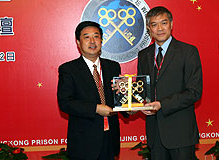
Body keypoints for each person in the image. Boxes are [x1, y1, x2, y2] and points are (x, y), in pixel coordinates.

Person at [137, 6, 203, 160]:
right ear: (149, 28)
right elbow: (143, 90)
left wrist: (162, 104)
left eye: (164, 23)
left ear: (171, 24)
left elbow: (194, 92)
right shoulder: (144, 55)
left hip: (181, 132)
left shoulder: (188, 52)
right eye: (154, 24)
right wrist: (126, 93)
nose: (159, 29)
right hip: (155, 133)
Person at [57, 21, 123, 160]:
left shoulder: (113, 67)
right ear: (78, 42)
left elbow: (118, 99)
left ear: (101, 40)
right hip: (84, 142)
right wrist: (95, 108)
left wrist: (129, 102)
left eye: (96, 36)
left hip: (110, 138)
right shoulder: (69, 69)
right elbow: (65, 103)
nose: (92, 41)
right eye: (87, 37)